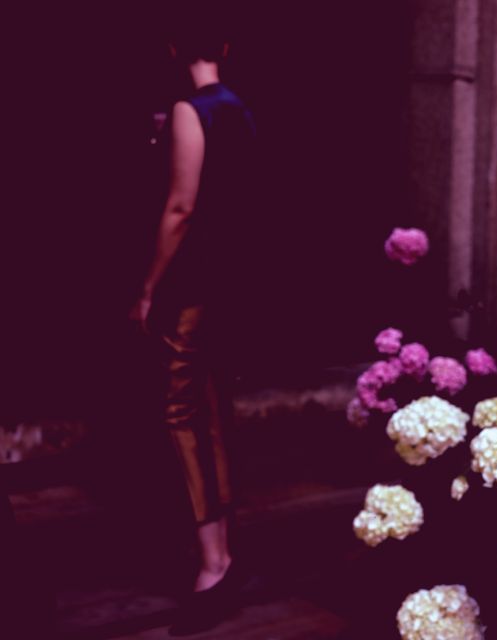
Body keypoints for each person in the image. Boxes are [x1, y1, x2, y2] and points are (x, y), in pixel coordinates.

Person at [129, 4, 256, 634]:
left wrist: (148, 287)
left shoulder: (190, 110)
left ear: (175, 50)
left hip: (193, 286)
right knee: (210, 410)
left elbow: (181, 208)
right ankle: (222, 551)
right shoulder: (239, 111)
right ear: (226, 48)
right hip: (230, 282)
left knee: (179, 413)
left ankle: (214, 562)